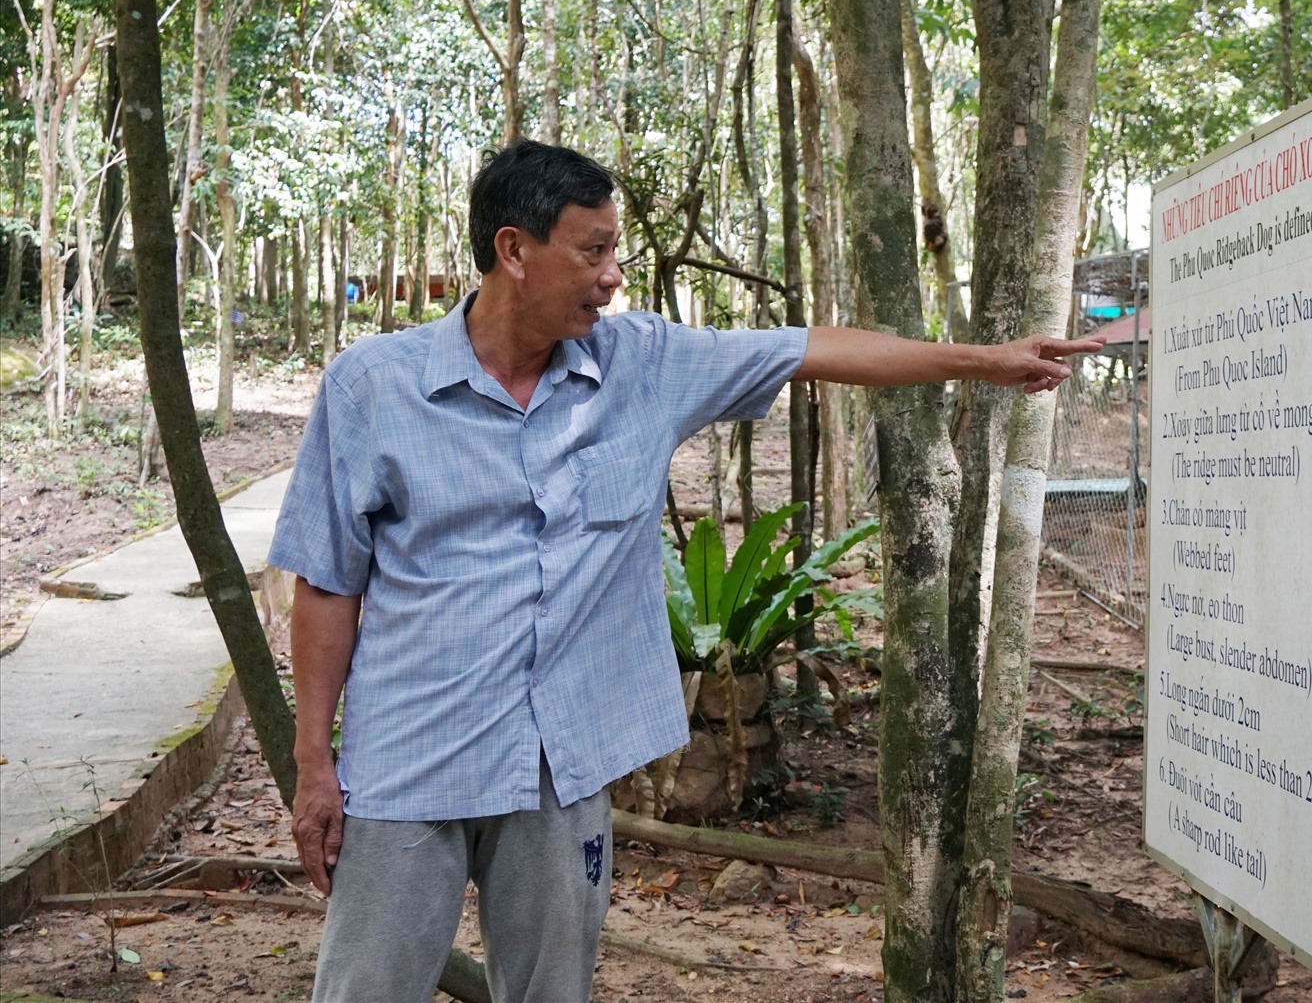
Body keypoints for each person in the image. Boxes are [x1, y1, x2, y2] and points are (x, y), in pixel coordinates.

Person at [271, 140, 1098, 1002]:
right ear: (514, 251)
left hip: (564, 769)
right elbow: (328, 583)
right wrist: (314, 765)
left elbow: (813, 349)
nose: (613, 274)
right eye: (593, 250)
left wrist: (985, 361)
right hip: (410, 764)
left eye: (614, 249)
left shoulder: (646, 364)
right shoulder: (372, 388)